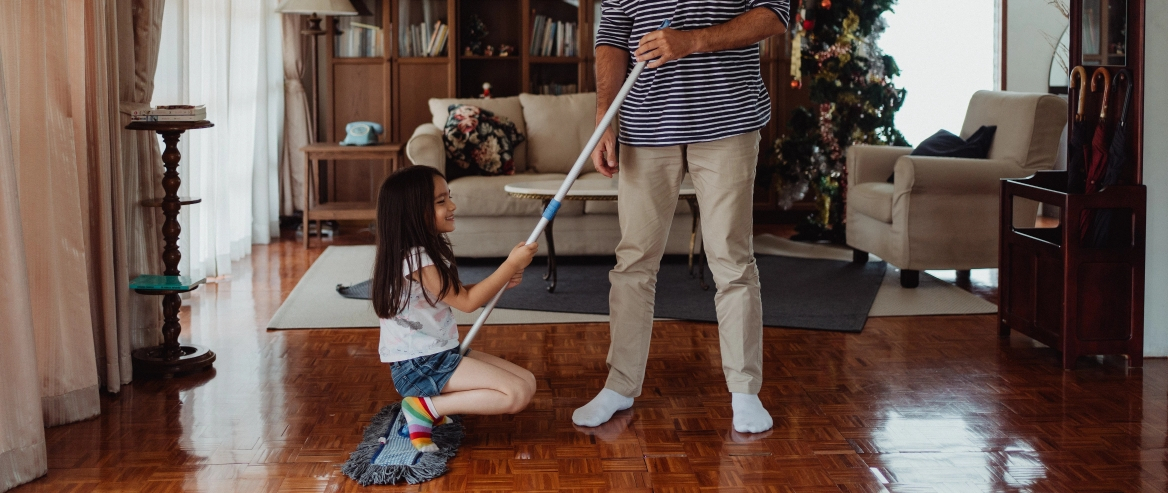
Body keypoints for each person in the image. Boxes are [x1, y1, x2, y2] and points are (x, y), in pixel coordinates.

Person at [572, 1, 790, 434]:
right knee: (633, 261)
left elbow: (774, 14)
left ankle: (745, 392)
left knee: (731, 259)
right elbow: (613, 36)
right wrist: (605, 114)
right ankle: (620, 385)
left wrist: (692, 41)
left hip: (728, 119)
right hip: (645, 125)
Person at [371, 165, 539, 451]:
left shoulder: (422, 252)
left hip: (438, 354)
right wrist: (509, 264)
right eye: (441, 202)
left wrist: (500, 281)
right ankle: (424, 409)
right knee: (517, 394)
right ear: (413, 212)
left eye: (448, 197)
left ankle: (431, 407)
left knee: (527, 381)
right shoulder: (415, 259)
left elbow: (458, 294)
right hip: (420, 366)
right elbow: (467, 303)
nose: (452, 205)